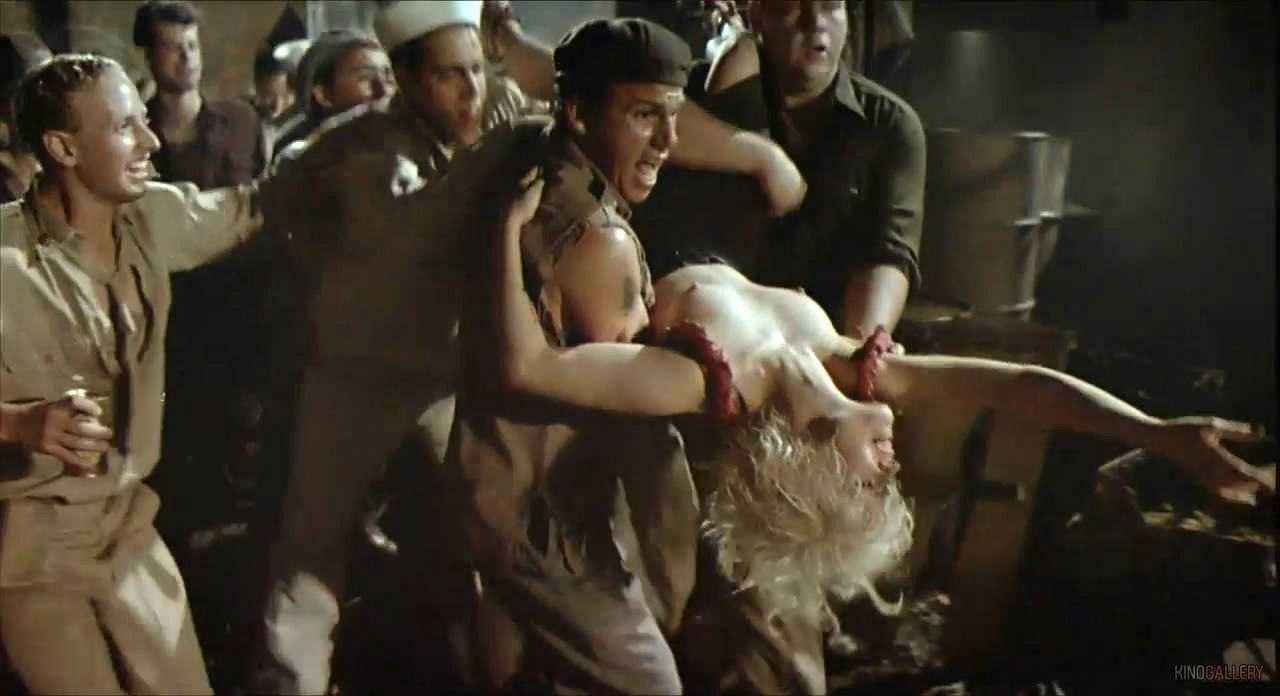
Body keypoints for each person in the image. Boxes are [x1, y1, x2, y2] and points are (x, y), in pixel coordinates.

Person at [480, 162, 1275, 694]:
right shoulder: (854, 369)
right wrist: (1159, 434)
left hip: (610, 270)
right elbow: (1019, 389)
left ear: (813, 468)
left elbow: (526, 367)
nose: (891, 470)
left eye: (868, 486)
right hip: (654, 233)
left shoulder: (702, 382)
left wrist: (500, 228)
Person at [252, 1, 809, 692]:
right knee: (315, 557)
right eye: (448, 75)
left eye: (475, 70)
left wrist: (756, 156)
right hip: (386, 391)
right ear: (406, 78)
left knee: (487, 603)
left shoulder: (516, 136)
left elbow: (603, 108)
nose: (469, 89)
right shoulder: (372, 156)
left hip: (473, 417)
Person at [428, 16, 725, 693]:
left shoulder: (523, 161)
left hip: (488, 487)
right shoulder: (596, 238)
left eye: (673, 116)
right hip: (546, 519)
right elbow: (636, 430)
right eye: (644, 116)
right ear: (579, 113)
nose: (668, 141)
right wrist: (671, 578)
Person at [0, 53, 277, 695]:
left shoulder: (151, 216)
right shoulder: (6, 261)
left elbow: (248, 209)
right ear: (63, 148)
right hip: (31, 551)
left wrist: (349, 144)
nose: (151, 141)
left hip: (128, 527)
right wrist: (19, 423)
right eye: (126, 126)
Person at [636, 0, 924, 341]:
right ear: (758, 15)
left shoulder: (889, 126)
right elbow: (636, 115)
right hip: (712, 328)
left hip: (822, 338)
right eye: (795, 6)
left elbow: (888, 255)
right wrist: (762, 157)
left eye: (831, 7)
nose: (816, 22)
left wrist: (860, 345)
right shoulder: (718, 87)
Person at [270, 31, 395, 159]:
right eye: (365, 77)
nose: (384, 91)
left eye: (390, 79)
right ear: (323, 95)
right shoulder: (304, 162)